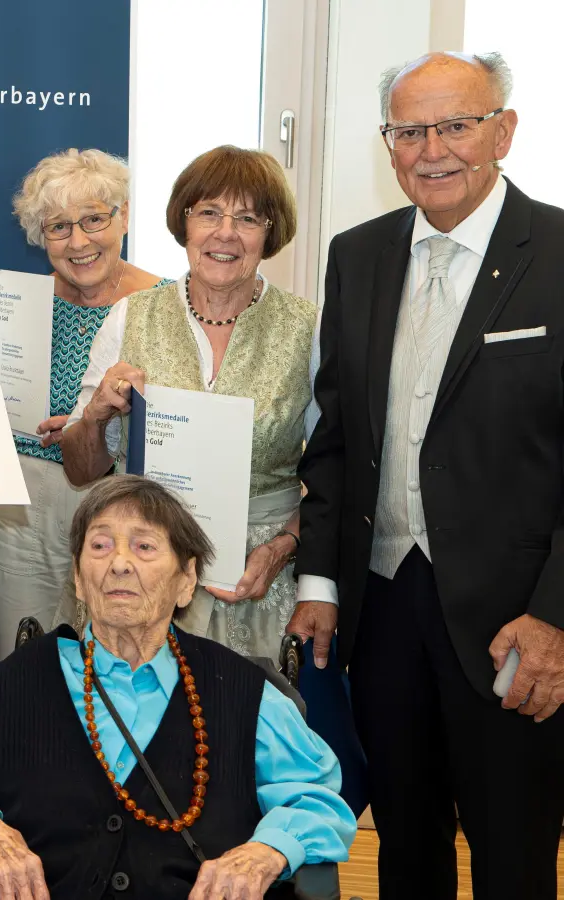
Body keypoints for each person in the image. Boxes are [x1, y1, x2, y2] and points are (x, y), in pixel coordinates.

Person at [292, 51, 564, 898]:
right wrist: (321, 582)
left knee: (513, 856)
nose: (432, 150)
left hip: (514, 622)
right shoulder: (358, 255)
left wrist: (555, 618)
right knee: (406, 849)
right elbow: (336, 436)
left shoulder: (559, 252)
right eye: (410, 131)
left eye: (456, 125)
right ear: (389, 144)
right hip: (382, 613)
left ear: (503, 132)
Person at [0, 475, 355, 900]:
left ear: (187, 580)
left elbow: (315, 801)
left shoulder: (244, 694)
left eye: (144, 546)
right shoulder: (13, 686)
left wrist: (267, 851)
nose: (119, 563)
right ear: (78, 579)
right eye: (99, 546)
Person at [59, 146, 316, 661]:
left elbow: (338, 472)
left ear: (271, 233)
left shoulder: (309, 329)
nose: (226, 233)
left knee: (246, 712)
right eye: (209, 213)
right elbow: (81, 470)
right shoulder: (130, 317)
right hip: (141, 582)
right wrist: (96, 416)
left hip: (259, 582)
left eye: (248, 219)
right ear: (184, 221)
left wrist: (283, 548)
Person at [0, 148, 166, 660]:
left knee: (121, 662)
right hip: (26, 508)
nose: (79, 241)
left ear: (123, 217)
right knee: (24, 663)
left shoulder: (164, 306)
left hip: (127, 505)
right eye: (59, 227)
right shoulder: (14, 306)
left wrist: (94, 423)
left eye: (93, 219)